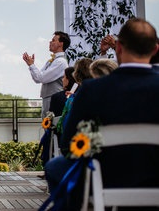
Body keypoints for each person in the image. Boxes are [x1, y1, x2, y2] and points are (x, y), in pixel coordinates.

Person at [44, 18, 159, 210]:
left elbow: (69, 145)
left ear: (119, 48)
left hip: (106, 177)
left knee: (55, 167)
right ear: (155, 50)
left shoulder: (92, 89)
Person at [23, 31, 70, 118]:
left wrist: (31, 65)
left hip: (54, 99)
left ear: (61, 44)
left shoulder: (60, 62)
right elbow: (37, 78)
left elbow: (41, 78)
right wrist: (31, 65)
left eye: (53, 40)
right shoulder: (51, 61)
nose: (50, 42)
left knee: (51, 127)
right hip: (47, 98)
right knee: (47, 127)